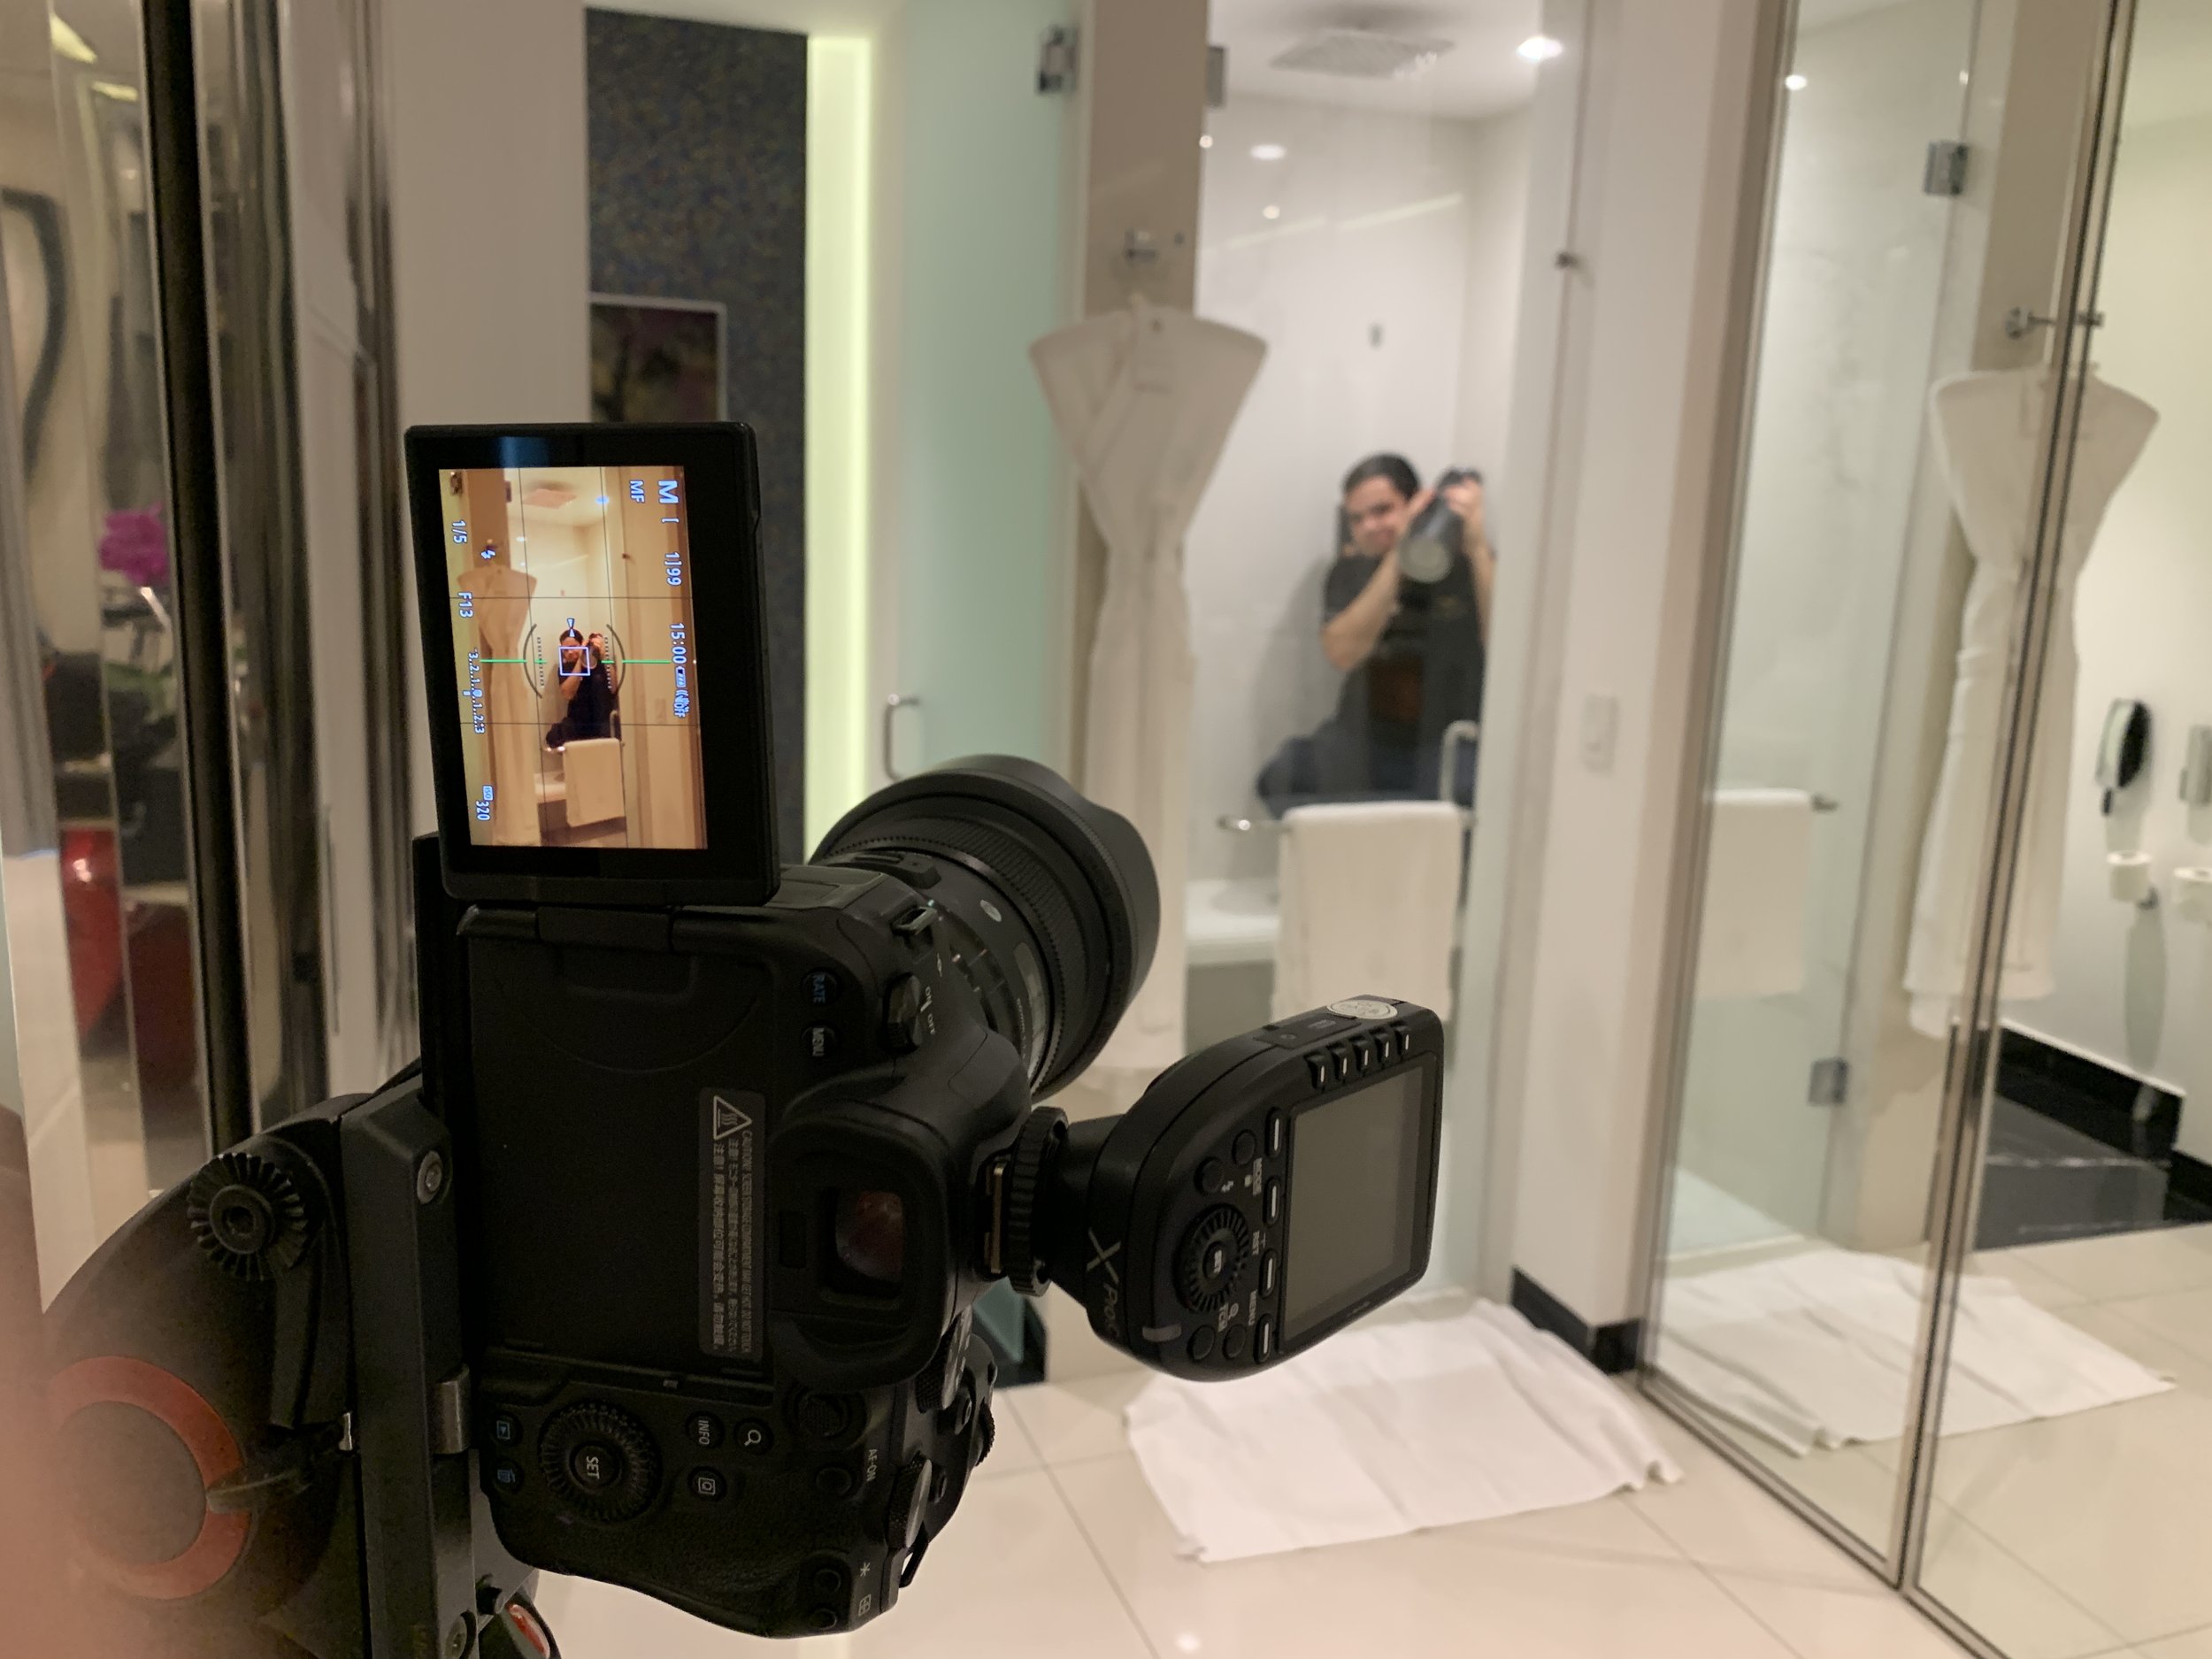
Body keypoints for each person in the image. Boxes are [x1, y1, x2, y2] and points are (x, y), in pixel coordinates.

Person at [1316, 454, 1494, 800]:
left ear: (1417, 504)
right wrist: (1400, 557)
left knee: (1456, 794)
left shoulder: (1466, 567)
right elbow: (1341, 654)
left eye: (1382, 511)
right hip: (1367, 734)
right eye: (1357, 518)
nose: (1369, 526)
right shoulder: (1349, 573)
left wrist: (1476, 546)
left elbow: (1506, 646)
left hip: (1444, 737)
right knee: (1283, 777)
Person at [548, 626, 619, 744]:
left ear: (582, 644)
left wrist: (604, 657)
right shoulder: (565, 669)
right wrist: (581, 659)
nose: (570, 652)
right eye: (565, 650)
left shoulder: (598, 662)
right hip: (578, 728)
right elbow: (567, 694)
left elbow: (614, 688)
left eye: (573, 647)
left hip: (603, 724)